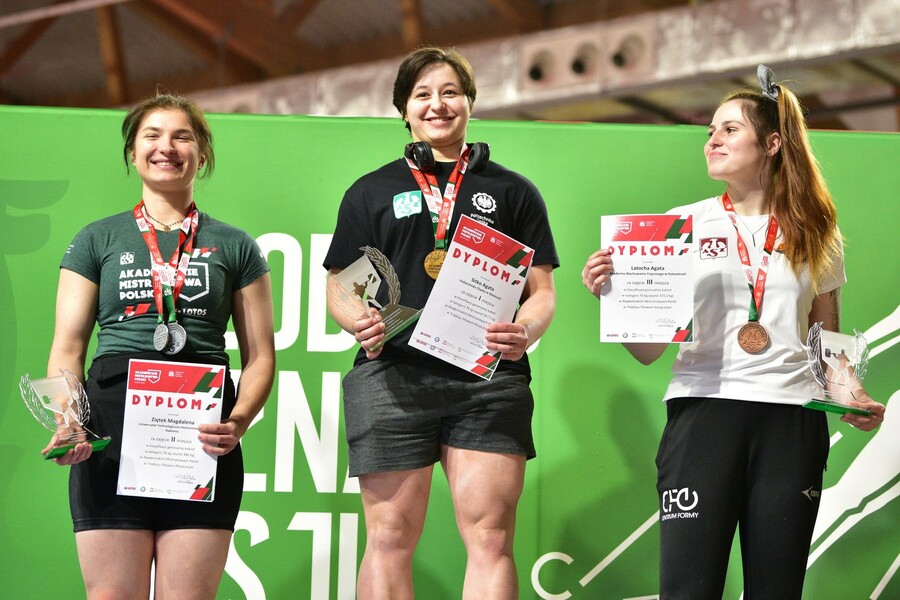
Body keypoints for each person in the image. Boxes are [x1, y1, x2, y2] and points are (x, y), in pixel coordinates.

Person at [582, 65, 885, 599]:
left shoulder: (817, 231)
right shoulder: (680, 226)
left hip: (791, 422)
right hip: (703, 414)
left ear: (771, 144)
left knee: (777, 589)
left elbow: (826, 340)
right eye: (710, 131)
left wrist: (852, 396)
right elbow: (648, 350)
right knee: (688, 589)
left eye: (729, 129)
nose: (712, 141)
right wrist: (612, 296)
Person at [324, 46, 558, 599]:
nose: (438, 104)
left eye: (450, 92)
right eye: (422, 94)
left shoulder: (514, 191)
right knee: (388, 537)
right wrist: (358, 320)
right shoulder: (370, 191)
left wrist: (525, 330)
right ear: (403, 109)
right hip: (391, 376)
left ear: (470, 102)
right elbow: (340, 285)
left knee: (491, 537)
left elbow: (542, 292)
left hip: (487, 380)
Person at [44, 92, 275, 599]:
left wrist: (238, 421)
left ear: (202, 154)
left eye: (182, 136)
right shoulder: (96, 239)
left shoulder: (236, 245)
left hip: (200, 436)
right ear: (133, 152)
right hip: (110, 431)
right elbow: (67, 347)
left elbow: (261, 357)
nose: (166, 147)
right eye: (152, 135)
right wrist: (68, 418)